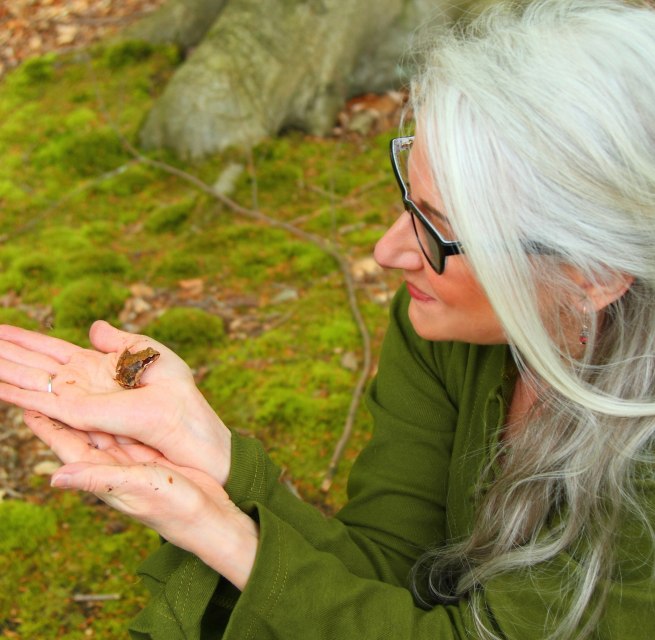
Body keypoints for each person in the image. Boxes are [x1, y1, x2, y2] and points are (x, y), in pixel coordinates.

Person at [1, 0, 654, 637]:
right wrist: (211, 455)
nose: (386, 252)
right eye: (410, 200)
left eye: (440, 232)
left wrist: (222, 536)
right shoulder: (443, 324)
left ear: (590, 275)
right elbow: (387, 573)